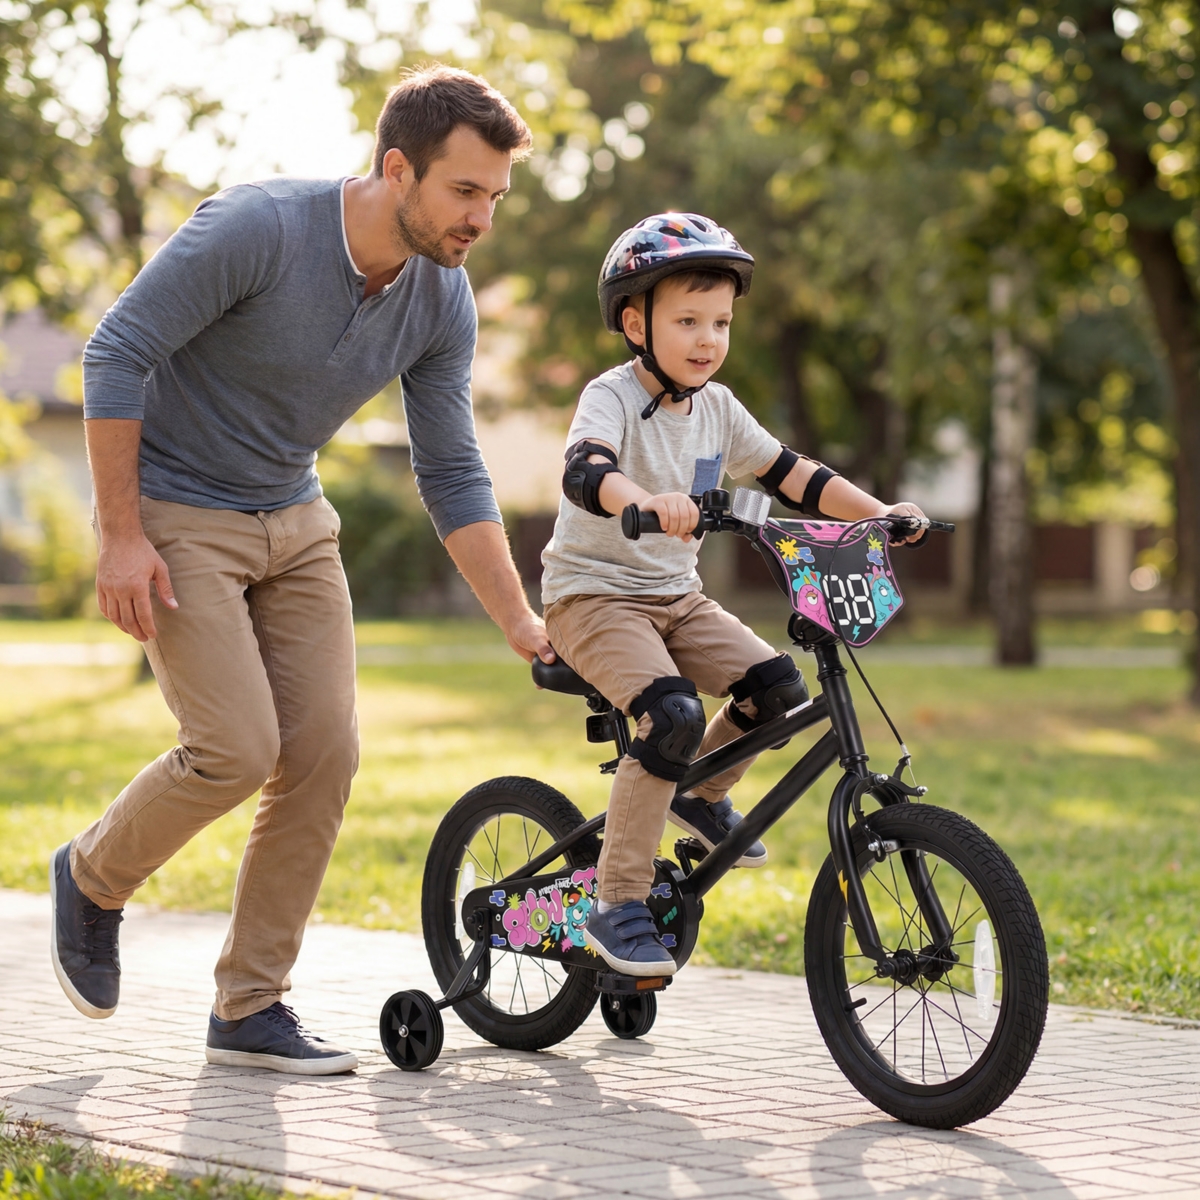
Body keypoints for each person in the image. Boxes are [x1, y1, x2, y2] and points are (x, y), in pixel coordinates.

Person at [50, 65, 554, 1074]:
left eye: (495, 199)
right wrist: (118, 533)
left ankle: (250, 1007)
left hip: (294, 517)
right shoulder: (259, 229)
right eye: (465, 193)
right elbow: (116, 353)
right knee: (236, 747)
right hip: (179, 510)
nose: (481, 221)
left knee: (324, 753)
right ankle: (93, 876)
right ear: (397, 167)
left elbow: (451, 469)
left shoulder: (442, 301)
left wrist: (521, 622)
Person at [539, 213, 926, 976]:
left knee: (775, 686)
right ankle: (619, 902)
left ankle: (699, 795)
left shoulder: (718, 406)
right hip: (593, 599)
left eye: (720, 322)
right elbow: (585, 470)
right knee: (672, 714)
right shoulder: (609, 396)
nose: (708, 339)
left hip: (674, 599)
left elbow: (795, 475)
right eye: (687, 320)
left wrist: (879, 515)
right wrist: (640, 500)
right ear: (633, 321)